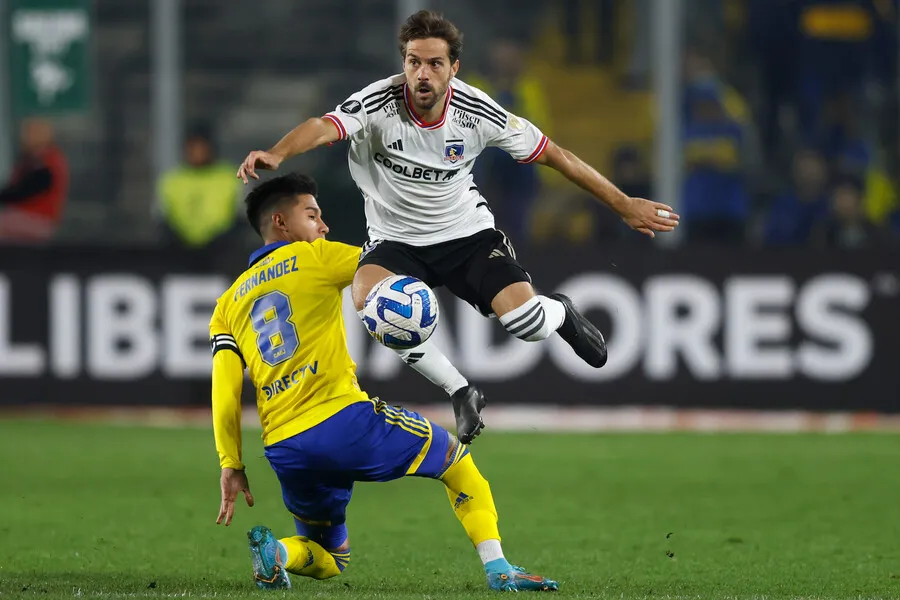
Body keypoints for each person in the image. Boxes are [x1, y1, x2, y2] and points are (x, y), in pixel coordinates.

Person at [237, 10, 680, 445]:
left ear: (454, 68)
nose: (422, 74)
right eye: (414, 61)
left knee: (526, 324)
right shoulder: (376, 103)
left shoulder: (478, 111)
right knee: (371, 304)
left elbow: (555, 155)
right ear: (404, 63)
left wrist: (624, 204)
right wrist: (279, 153)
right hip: (396, 241)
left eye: (434, 63)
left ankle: (560, 311)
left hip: (466, 237)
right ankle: (461, 391)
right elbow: (323, 126)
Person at [209, 173, 558, 592]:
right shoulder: (315, 257)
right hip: (342, 420)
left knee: (331, 557)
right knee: (457, 462)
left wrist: (231, 463)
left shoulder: (226, 304)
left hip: (284, 445)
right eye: (312, 215)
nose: (323, 226)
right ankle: (500, 569)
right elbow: (394, 268)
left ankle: (278, 554)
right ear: (281, 223)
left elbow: (225, 389)